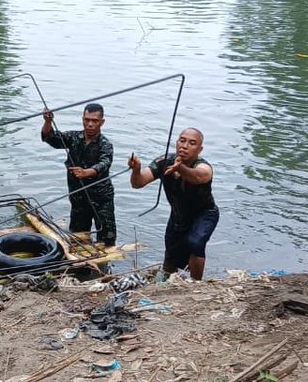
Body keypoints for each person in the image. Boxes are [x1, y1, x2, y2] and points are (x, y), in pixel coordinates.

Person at [128, 128, 217, 280]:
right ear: (176, 142)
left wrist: (180, 168)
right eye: (182, 141)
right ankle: (167, 284)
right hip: (178, 215)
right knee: (170, 258)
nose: (185, 146)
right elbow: (139, 183)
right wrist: (136, 170)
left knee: (195, 243)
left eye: (192, 143)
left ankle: (196, 284)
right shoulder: (164, 162)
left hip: (204, 214)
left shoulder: (202, 165)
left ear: (199, 149)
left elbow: (199, 176)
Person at [41, 103, 116, 247]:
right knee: (78, 239)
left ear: (102, 122)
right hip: (78, 197)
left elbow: (104, 163)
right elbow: (50, 137)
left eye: (94, 121)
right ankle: (81, 268)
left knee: (107, 240)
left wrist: (86, 172)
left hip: (101, 199)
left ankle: (104, 267)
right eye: (87, 120)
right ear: (82, 119)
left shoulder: (105, 144)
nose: (90, 124)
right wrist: (48, 122)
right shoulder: (74, 137)